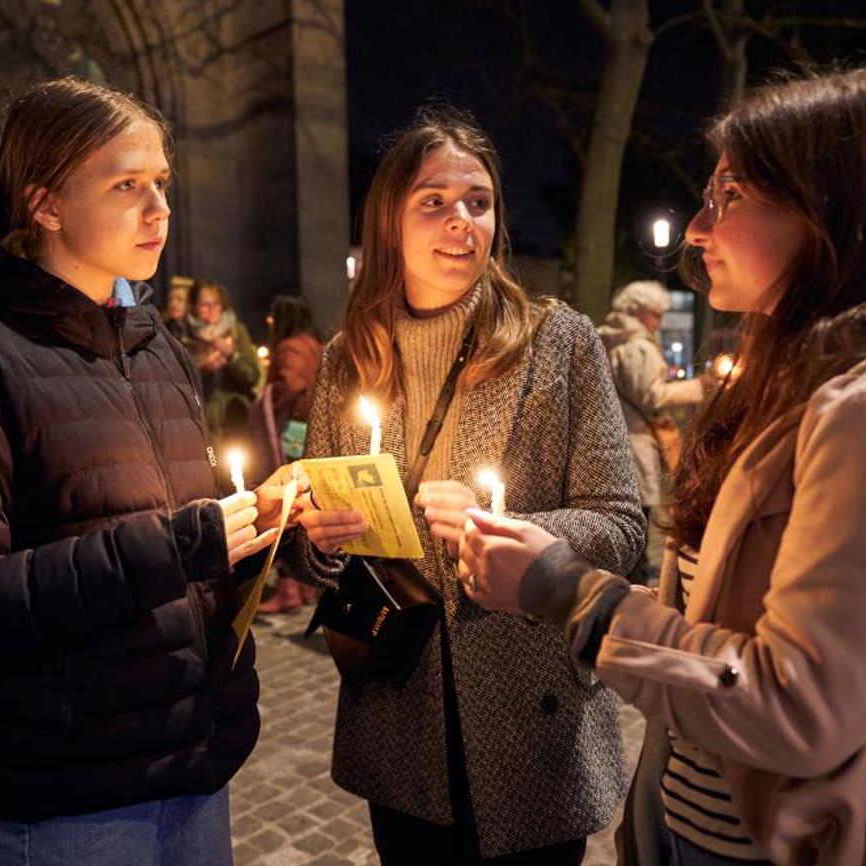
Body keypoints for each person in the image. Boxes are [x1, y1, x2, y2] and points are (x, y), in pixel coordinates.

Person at [456, 63, 866, 866]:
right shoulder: (796, 377)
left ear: (832, 205)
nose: (697, 227)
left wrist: (570, 593)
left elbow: (795, 705)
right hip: (708, 821)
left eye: (728, 195)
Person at [0, 76, 300, 866]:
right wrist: (178, 544)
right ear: (46, 205)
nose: (160, 209)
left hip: (194, 759)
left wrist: (277, 530)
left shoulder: (159, 351)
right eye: (126, 184)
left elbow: (202, 542)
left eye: (162, 184)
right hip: (73, 797)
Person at [294, 107, 645, 864]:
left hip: (530, 716)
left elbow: (621, 528)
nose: (462, 221)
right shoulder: (346, 360)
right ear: (390, 222)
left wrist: (510, 528)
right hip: (400, 710)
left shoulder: (559, 343)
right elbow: (315, 552)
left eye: (478, 202)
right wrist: (316, 540)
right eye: (434, 202)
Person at [598, 280, 707, 583]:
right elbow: (652, 396)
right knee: (637, 526)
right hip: (633, 444)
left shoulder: (610, 340)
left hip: (614, 441)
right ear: (641, 312)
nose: (658, 322)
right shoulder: (636, 347)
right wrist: (699, 387)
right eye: (656, 315)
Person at [252, 293, 323, 614]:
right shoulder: (313, 343)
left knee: (286, 505)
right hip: (310, 427)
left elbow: (291, 387)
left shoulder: (290, 347)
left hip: (292, 431)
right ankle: (305, 588)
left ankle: (288, 589)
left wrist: (267, 396)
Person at [184, 278, 261, 441]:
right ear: (193, 307)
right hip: (201, 424)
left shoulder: (236, 331)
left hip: (237, 419)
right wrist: (204, 367)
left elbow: (252, 376)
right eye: (205, 305)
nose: (212, 310)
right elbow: (179, 383)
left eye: (216, 304)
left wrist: (232, 357)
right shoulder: (184, 335)